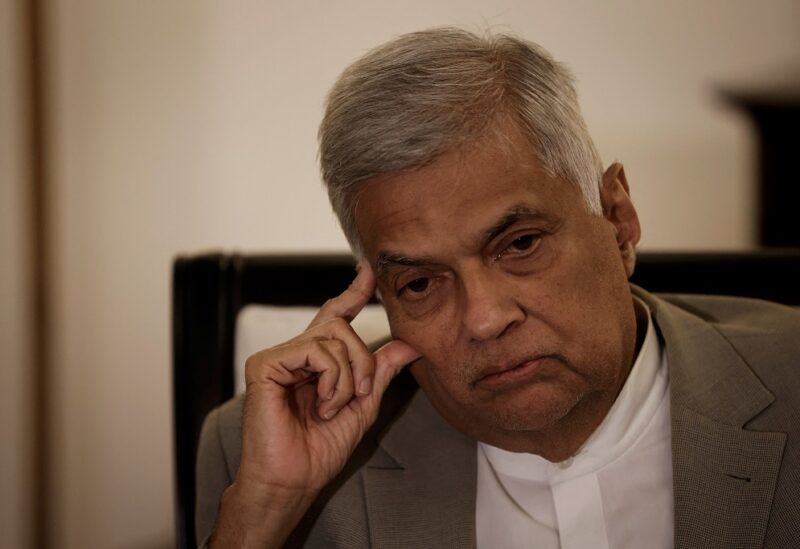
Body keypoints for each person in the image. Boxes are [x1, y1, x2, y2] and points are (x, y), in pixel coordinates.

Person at [195, 28, 800, 548]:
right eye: (422, 282)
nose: (484, 319)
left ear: (618, 218)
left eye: (520, 245)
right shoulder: (260, 453)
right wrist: (263, 514)